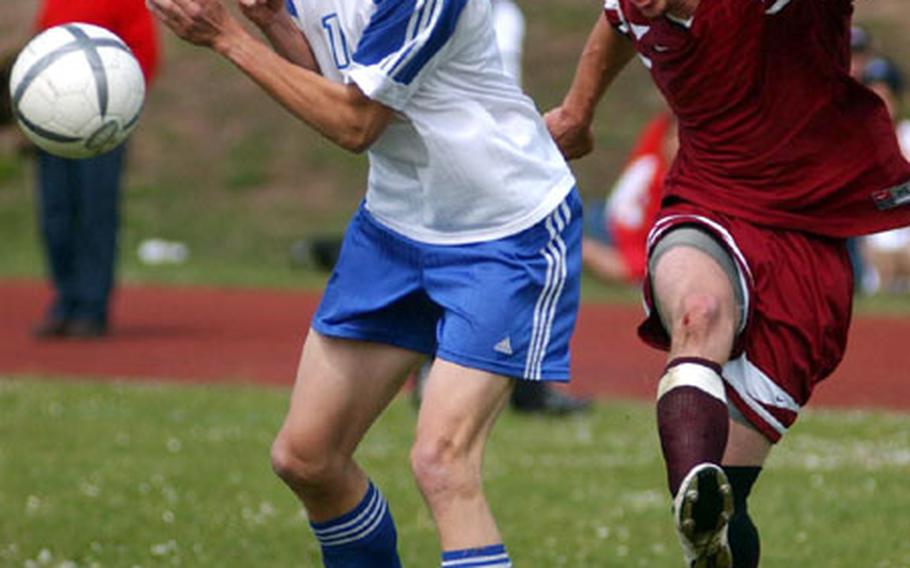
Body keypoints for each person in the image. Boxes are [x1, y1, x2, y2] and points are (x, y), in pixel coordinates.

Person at [148, 0, 581, 566]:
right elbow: (337, 77)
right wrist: (274, 21)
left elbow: (357, 122)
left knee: (441, 461)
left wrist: (228, 37)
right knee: (307, 457)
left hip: (502, 233)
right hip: (396, 228)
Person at [546, 1, 910, 566]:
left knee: (729, 504)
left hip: (809, 237)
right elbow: (617, 21)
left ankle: (709, 535)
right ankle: (695, 492)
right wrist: (577, 110)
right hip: (706, 203)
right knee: (698, 313)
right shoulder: (639, 5)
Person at [29, 0, 159, 339]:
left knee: (95, 214)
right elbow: (41, 48)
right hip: (54, 129)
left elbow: (144, 51)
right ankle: (64, 301)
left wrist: (120, 108)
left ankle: (92, 307)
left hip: (101, 129)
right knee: (55, 214)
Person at [583, 111, 676, 285]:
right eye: (672, 137)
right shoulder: (655, 170)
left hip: (614, 222)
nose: (676, 143)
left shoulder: (661, 168)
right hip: (611, 228)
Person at [861, 56, 910, 293]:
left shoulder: (908, 136)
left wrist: (885, 199)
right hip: (870, 250)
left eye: (887, 96)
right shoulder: (856, 142)